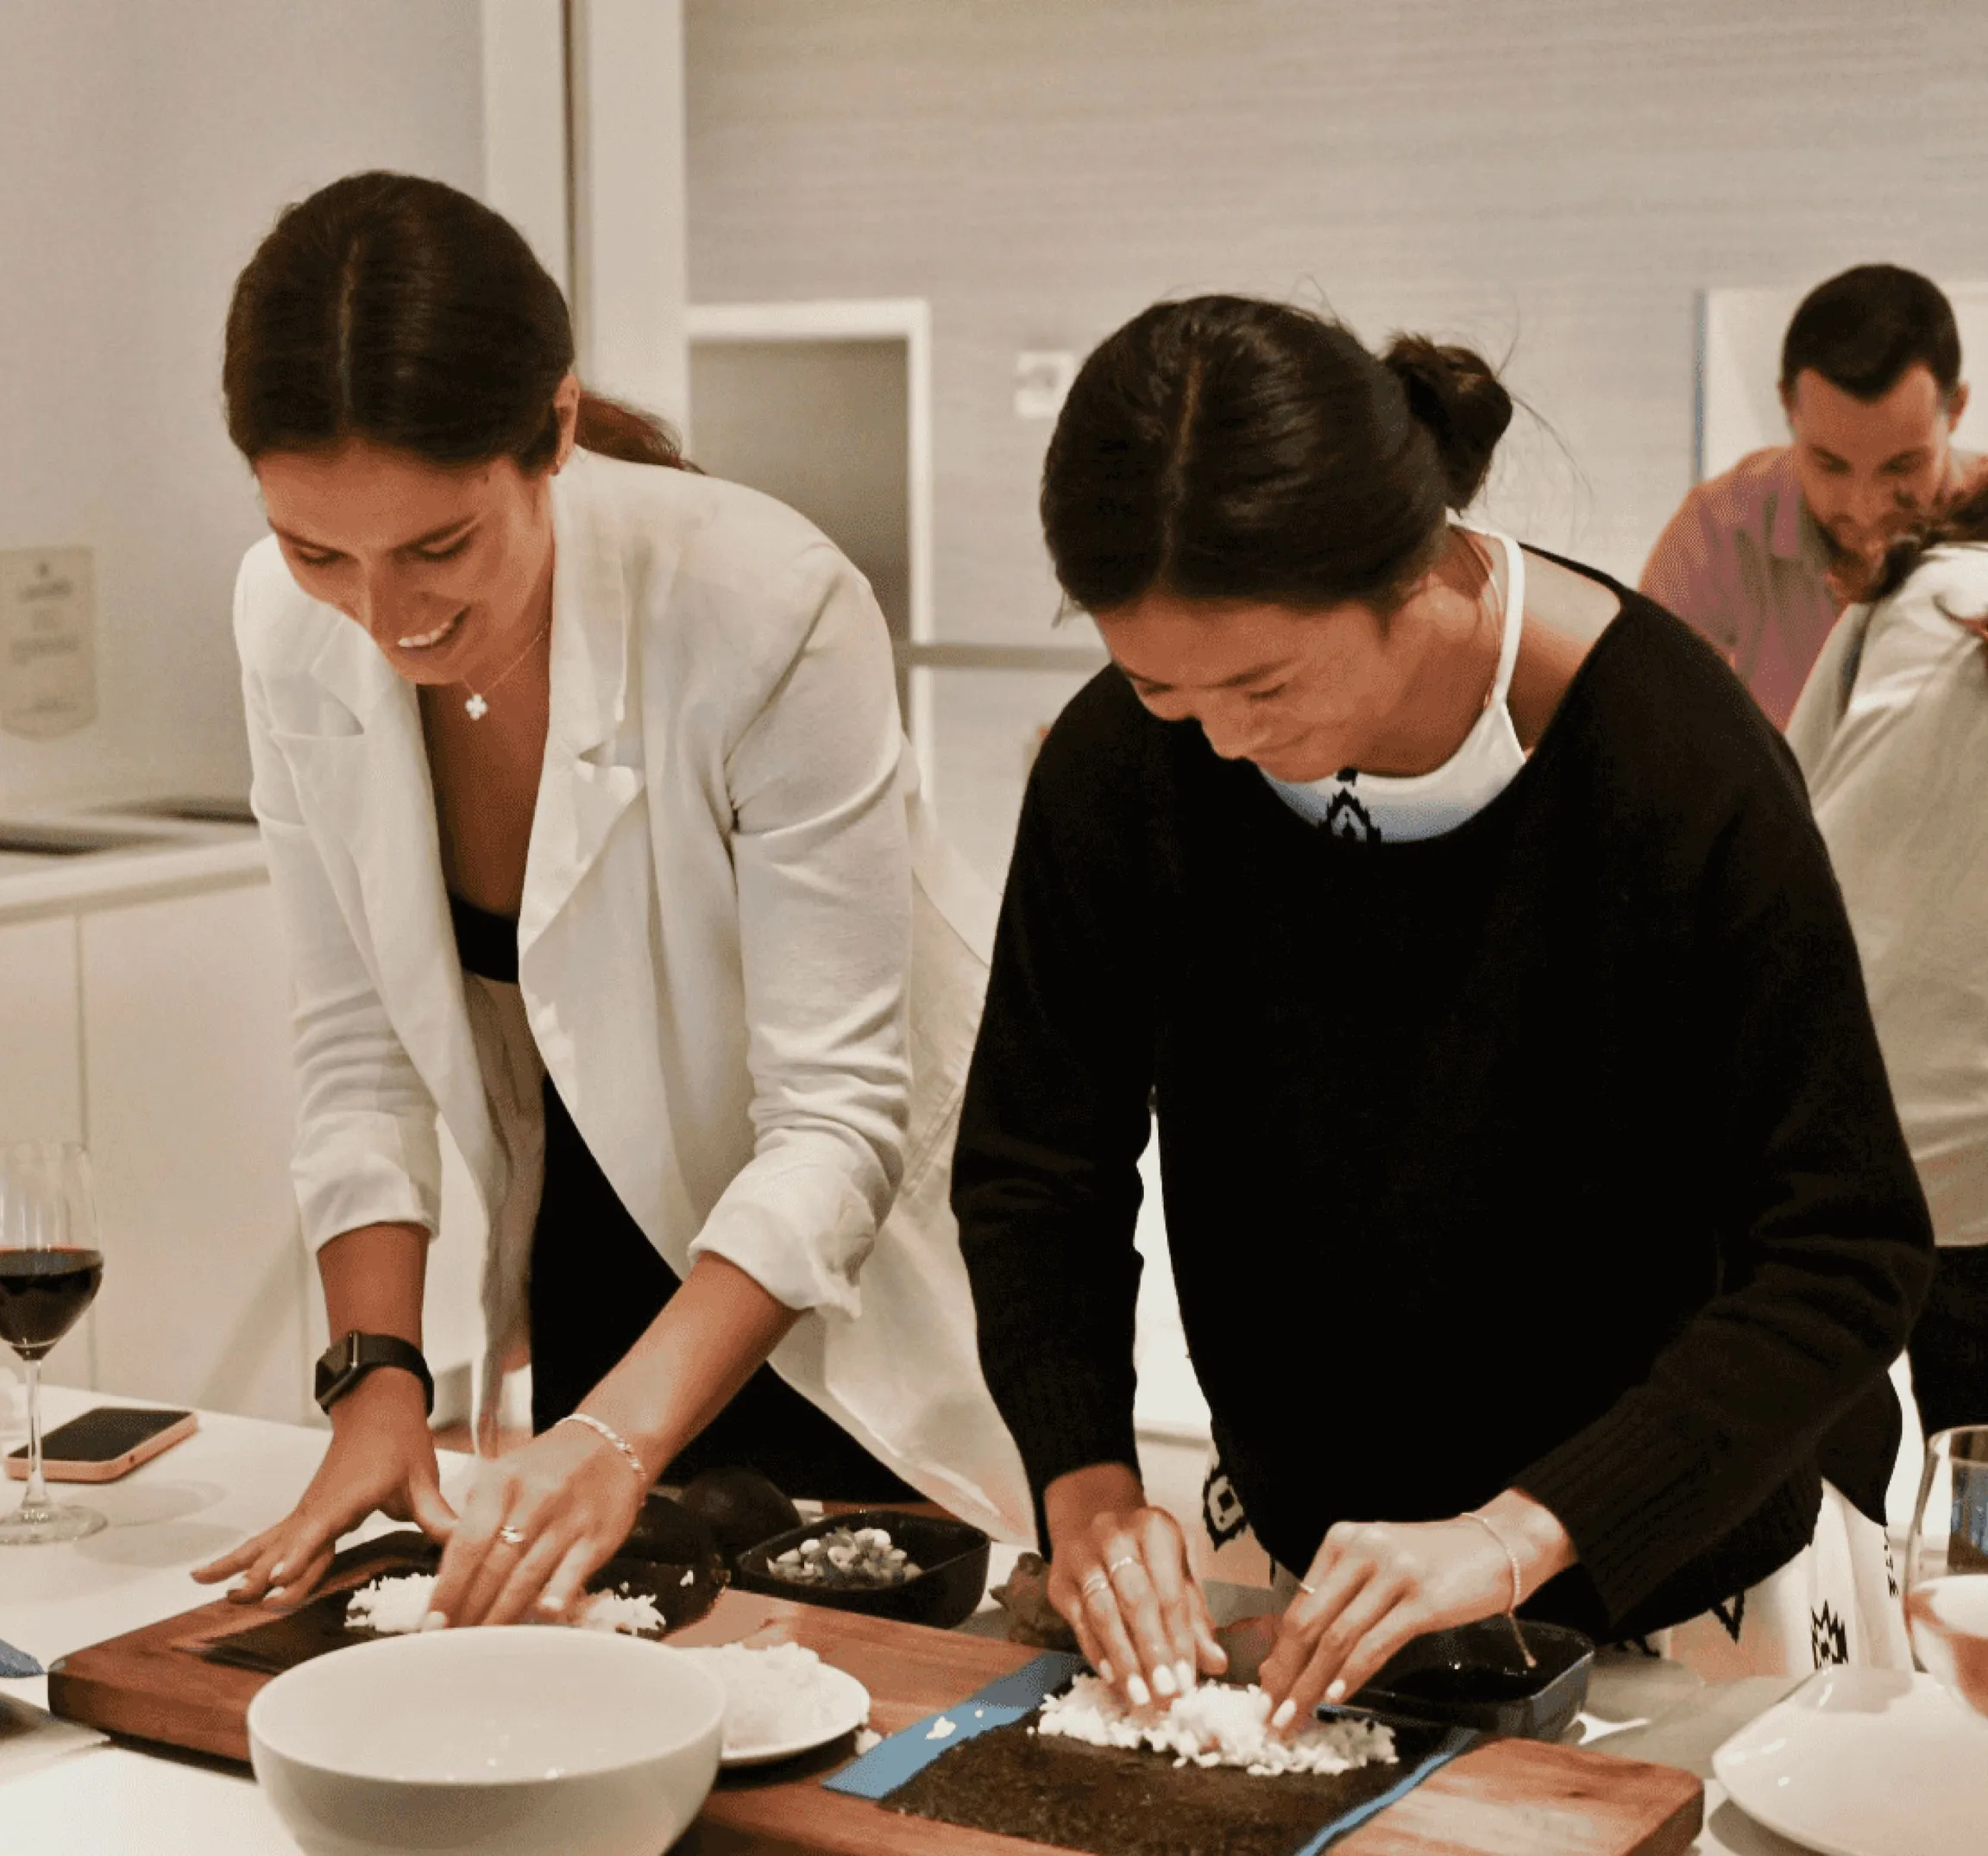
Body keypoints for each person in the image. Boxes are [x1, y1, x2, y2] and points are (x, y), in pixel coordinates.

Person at [953, 296, 1934, 1727]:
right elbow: (1036, 1167)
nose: (1221, 739)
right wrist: (1087, 1482)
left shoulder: (1669, 762)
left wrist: (1515, 1532)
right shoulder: (1124, 763)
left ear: (1407, 572)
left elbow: (1843, 1253)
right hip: (1308, 1558)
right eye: (1162, 685)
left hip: (1679, 1576)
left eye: (1263, 684)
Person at [192, 172, 1027, 1629]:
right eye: (322, 551)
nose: (386, 619)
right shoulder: (284, 621)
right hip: (593, 1228)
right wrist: (376, 1378)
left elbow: (835, 1118)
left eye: (438, 547)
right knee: (608, 1664)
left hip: (839, 1264)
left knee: (844, 1684)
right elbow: (357, 1043)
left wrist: (618, 1434)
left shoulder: (766, 605)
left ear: (554, 430)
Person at [1788, 484, 1988, 1438]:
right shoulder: (1917, 603)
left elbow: (1787, 829)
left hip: (1824, 1152)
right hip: (1934, 1182)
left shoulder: (1902, 595)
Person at [1642, 264, 1978, 729]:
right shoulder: (1716, 530)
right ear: (1788, 405)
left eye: (1902, 466)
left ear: (1955, 409)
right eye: (1830, 465)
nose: (1865, 510)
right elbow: (1648, 718)